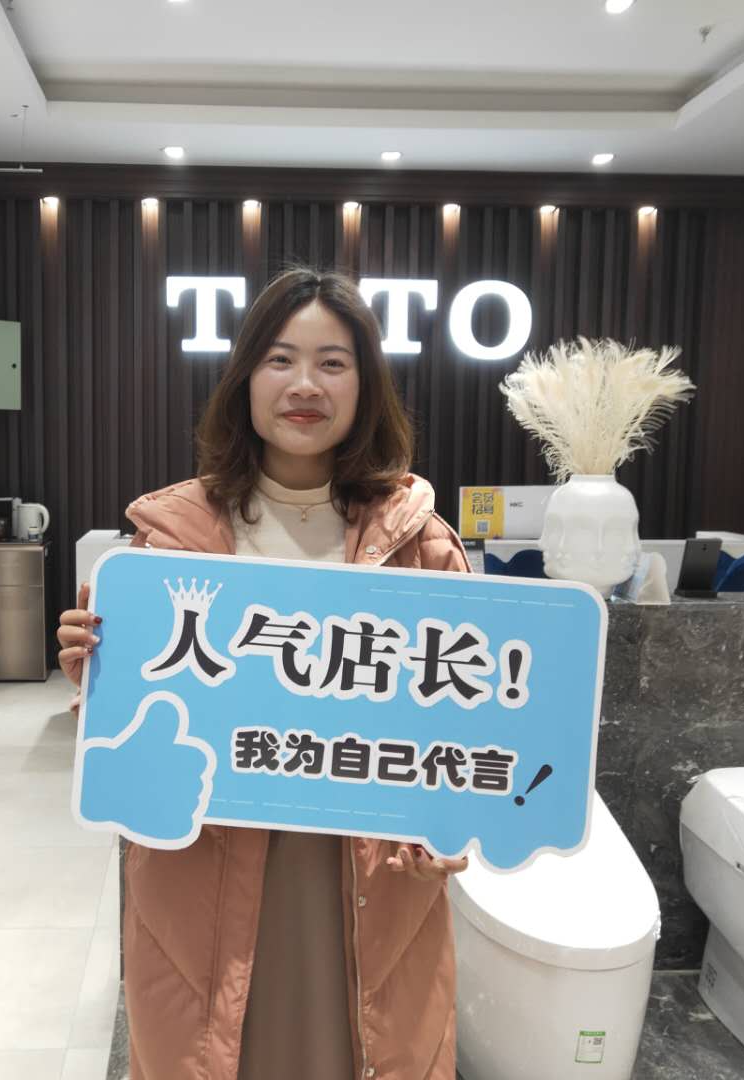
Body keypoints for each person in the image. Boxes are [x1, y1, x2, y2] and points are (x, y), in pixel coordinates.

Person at [58, 267, 471, 1080]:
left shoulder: (420, 544)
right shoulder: (170, 538)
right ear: (246, 378)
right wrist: (97, 675)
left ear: (366, 386)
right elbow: (137, 740)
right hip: (205, 873)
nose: (305, 384)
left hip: (363, 879)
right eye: (280, 359)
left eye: (333, 363)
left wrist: (448, 827)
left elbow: (460, 733)